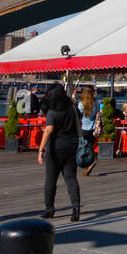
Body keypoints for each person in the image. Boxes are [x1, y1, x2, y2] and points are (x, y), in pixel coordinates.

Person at [37, 83, 82, 221]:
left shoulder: (52, 112)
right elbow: (79, 122)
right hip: (72, 145)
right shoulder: (73, 108)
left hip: (55, 148)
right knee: (71, 178)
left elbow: (49, 130)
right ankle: (75, 207)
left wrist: (40, 150)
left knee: (51, 180)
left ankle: (49, 209)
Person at [77, 87, 100, 177]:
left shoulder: (81, 104)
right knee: (90, 146)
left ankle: (86, 164)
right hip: (93, 128)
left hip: (83, 128)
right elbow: (98, 113)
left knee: (82, 148)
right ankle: (91, 161)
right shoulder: (96, 102)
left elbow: (78, 116)